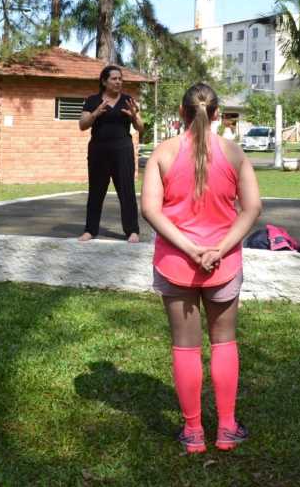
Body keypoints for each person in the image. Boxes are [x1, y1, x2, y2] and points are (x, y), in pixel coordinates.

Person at [140, 83, 261, 454]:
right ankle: (226, 428)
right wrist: (218, 249)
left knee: (185, 346)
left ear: (181, 112)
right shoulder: (234, 153)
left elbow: (150, 210)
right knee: (224, 341)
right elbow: (253, 208)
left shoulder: (162, 153)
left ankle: (193, 432)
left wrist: (191, 250)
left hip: (176, 263)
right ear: (217, 113)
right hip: (223, 264)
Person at [79, 65, 144, 243]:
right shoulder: (93, 100)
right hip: (98, 151)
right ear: (104, 81)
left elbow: (140, 127)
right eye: (114, 79)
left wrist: (134, 116)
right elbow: (82, 125)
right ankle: (90, 230)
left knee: (127, 190)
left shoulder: (128, 100)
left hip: (123, 151)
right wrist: (95, 113)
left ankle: (132, 230)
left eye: (120, 79)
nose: (118, 82)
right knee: (96, 191)